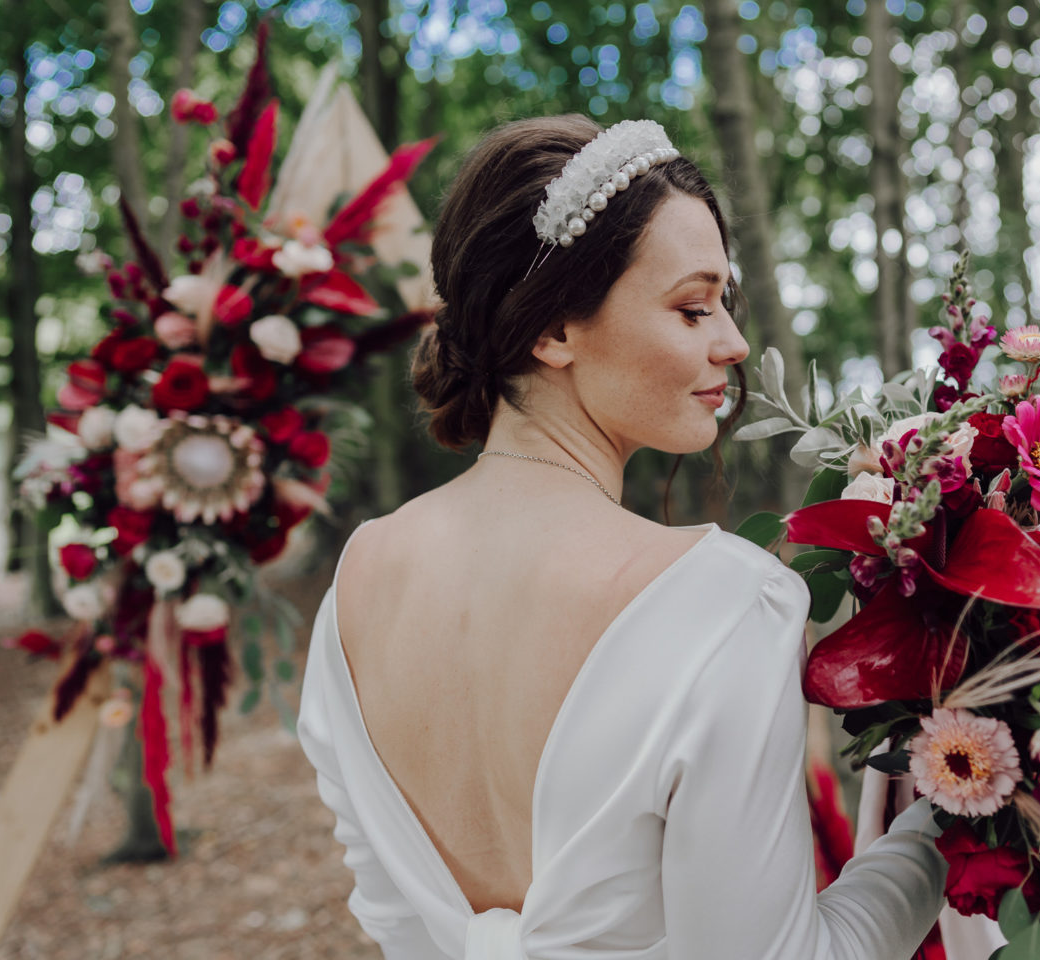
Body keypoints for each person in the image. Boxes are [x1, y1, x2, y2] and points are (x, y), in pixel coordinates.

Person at [296, 114, 947, 960]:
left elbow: (391, 922)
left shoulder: (357, 584)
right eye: (693, 308)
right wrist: (947, 820)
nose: (734, 343)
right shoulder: (722, 604)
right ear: (553, 330)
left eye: (727, 305)